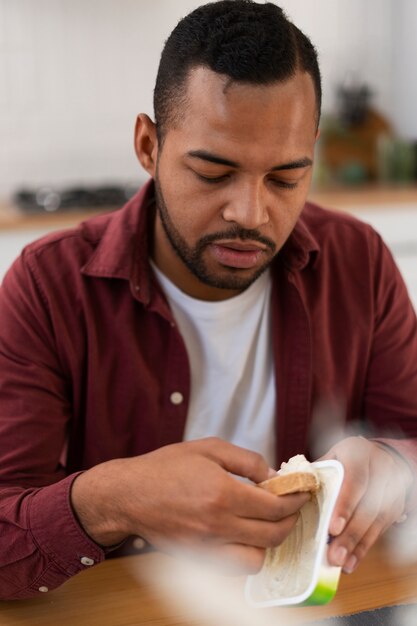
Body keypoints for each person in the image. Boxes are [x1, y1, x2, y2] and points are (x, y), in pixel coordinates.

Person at [0, 0, 416, 601]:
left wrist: (392, 465)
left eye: (285, 178)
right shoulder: (49, 286)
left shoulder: (360, 261)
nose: (250, 213)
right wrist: (117, 498)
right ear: (148, 146)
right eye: (213, 173)